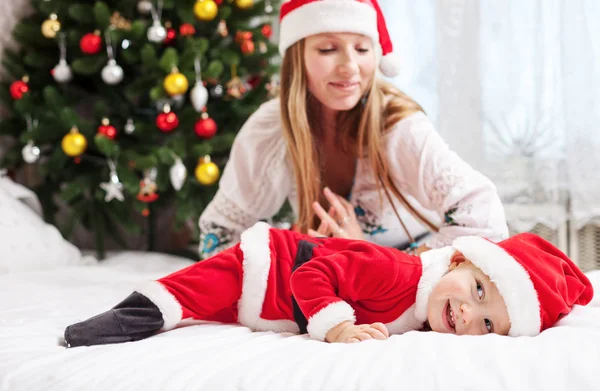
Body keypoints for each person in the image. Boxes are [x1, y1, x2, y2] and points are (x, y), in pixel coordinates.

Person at [197, 0, 509, 260]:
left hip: (411, 272)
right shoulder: (270, 130)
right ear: (297, 58)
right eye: (327, 49)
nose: (350, 66)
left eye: (362, 48)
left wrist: (376, 257)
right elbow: (218, 233)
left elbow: (483, 215)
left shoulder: (398, 126)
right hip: (325, 277)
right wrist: (277, 260)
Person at [64, 222, 593, 347]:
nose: (468, 316)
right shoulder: (401, 273)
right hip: (266, 267)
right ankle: (118, 319)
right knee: (180, 298)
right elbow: (311, 273)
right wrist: (337, 327)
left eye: (488, 324)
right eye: (477, 291)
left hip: (273, 304)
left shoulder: (426, 315)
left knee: (205, 309)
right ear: (456, 259)